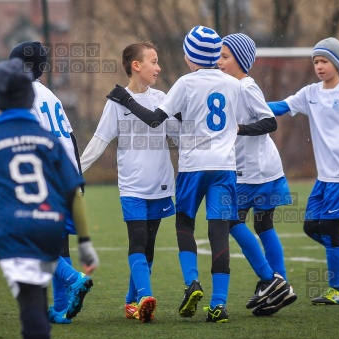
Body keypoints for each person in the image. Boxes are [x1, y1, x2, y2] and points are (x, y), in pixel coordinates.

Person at [0, 58, 99, 339]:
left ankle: (69, 284)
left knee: (31, 305)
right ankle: (60, 306)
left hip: (13, 232)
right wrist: (85, 241)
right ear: (31, 96)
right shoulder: (47, 139)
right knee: (49, 261)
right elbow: (72, 188)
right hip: (49, 216)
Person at [106, 25, 250, 323]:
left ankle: (192, 283)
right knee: (219, 232)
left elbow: (156, 119)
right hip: (224, 167)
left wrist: (126, 99)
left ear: (191, 55)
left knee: (184, 223)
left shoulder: (185, 83)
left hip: (194, 167)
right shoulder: (234, 85)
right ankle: (219, 305)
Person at [268, 37, 339, 305]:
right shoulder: (310, 93)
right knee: (311, 227)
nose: (319, 66)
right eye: (316, 61)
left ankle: (337, 289)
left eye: (324, 61)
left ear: (338, 64)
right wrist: (250, 107)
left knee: (329, 228)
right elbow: (282, 106)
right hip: (323, 178)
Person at [80, 41, 177, 323]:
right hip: (132, 187)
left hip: (160, 185)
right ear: (136, 66)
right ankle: (146, 296)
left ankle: (130, 302)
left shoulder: (162, 99)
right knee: (137, 240)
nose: (159, 67)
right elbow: (99, 141)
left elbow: (178, 135)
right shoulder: (115, 103)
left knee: (149, 247)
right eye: (153, 61)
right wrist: (76, 172)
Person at [9, 41, 94, 324]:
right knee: (59, 246)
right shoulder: (49, 95)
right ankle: (60, 309)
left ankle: (75, 278)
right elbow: (71, 137)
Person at [216, 33, 296, 316]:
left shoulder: (247, 86)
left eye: (225, 57)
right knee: (263, 226)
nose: (219, 61)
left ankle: (272, 280)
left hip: (256, 171)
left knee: (230, 221)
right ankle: (279, 285)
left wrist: (239, 129)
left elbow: (270, 122)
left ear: (240, 60)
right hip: (257, 169)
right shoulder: (228, 85)